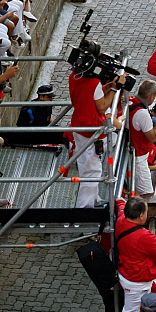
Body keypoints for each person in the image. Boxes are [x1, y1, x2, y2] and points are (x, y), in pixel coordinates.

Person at [68, 63, 126, 208]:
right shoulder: (94, 83)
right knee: (92, 172)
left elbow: (92, 95)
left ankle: (94, 199)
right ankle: (84, 208)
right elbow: (102, 106)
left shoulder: (74, 77)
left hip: (79, 126)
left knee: (86, 166)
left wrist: (105, 87)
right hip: (91, 130)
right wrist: (114, 88)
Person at [128, 80, 156, 199]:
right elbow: (152, 137)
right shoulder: (142, 113)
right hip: (139, 156)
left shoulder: (131, 101)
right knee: (147, 194)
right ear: (151, 96)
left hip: (135, 151)